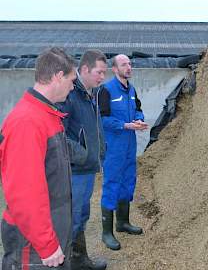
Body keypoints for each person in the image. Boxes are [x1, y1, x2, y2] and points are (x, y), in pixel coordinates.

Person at [0, 47, 76, 270]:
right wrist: (47, 244)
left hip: (51, 227)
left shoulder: (47, 114)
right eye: (71, 81)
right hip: (32, 243)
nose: (73, 87)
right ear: (58, 76)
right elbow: (25, 191)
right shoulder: (28, 122)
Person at [57, 50, 107, 270]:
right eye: (99, 72)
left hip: (86, 169)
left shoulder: (90, 92)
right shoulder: (70, 94)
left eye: (104, 73)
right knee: (73, 216)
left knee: (82, 214)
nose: (102, 77)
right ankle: (66, 262)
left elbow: (93, 128)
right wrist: (84, 154)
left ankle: (79, 259)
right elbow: (60, 135)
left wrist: (99, 151)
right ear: (85, 69)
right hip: (75, 170)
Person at [98, 54, 148, 250]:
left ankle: (122, 222)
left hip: (129, 146)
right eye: (123, 64)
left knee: (128, 181)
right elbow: (101, 120)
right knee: (112, 184)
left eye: (129, 64)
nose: (128, 67)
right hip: (114, 147)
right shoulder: (106, 90)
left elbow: (138, 109)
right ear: (114, 69)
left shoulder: (132, 89)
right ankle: (106, 233)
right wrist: (125, 125)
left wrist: (139, 119)